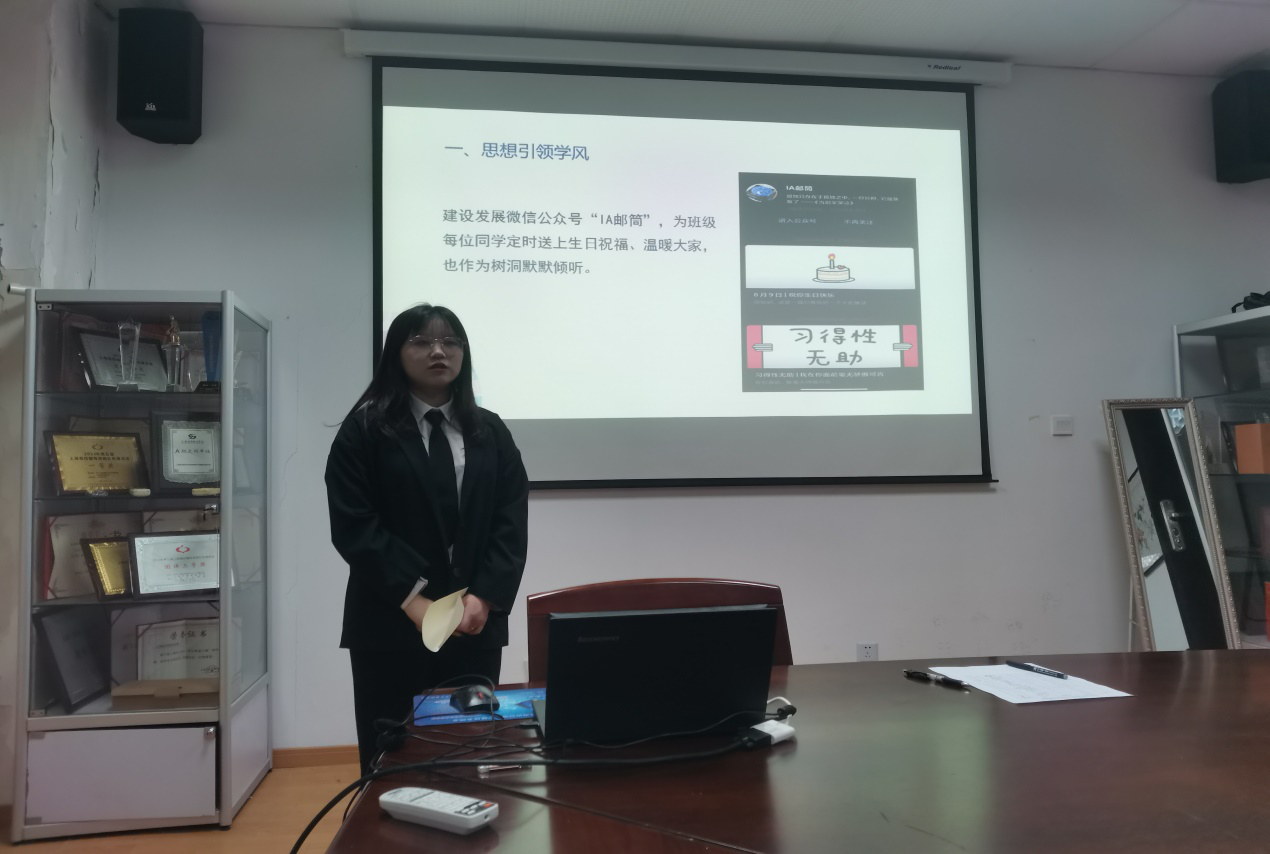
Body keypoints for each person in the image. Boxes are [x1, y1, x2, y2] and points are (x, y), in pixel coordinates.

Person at [325, 304, 529, 774]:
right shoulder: (364, 430)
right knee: (392, 758)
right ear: (396, 353)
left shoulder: (491, 431)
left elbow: (510, 520)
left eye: (450, 341)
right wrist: (414, 601)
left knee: (468, 751)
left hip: (473, 624)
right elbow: (355, 525)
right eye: (421, 341)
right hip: (389, 624)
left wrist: (484, 597)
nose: (439, 351)